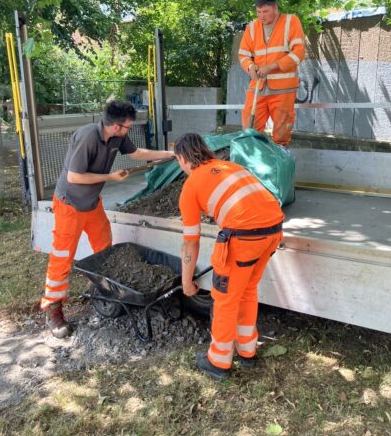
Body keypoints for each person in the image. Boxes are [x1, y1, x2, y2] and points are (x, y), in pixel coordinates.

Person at [42, 100, 175, 338]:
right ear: (115, 126)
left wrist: (171, 154)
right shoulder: (88, 138)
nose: (128, 130)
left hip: (92, 204)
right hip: (70, 204)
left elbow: (137, 153)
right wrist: (110, 177)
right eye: (127, 127)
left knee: (104, 249)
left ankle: (104, 292)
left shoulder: (117, 137)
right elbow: (74, 177)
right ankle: (53, 307)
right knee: (62, 256)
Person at [174, 133, 284, 380]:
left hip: (244, 239)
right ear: (204, 150)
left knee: (224, 298)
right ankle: (247, 351)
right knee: (247, 290)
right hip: (273, 230)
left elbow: (190, 243)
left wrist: (186, 282)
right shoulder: (230, 166)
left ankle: (218, 362)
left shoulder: (191, 185)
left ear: (182, 159)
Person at [238, 0, 306, 146]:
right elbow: (243, 54)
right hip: (258, 87)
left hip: (283, 89)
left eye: (265, 11)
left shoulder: (291, 22)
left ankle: (279, 162)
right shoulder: (252, 27)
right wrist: (250, 67)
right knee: (250, 129)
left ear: (275, 8)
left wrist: (272, 67)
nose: (261, 16)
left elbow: (299, 53)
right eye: (258, 12)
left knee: (281, 135)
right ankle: (252, 163)